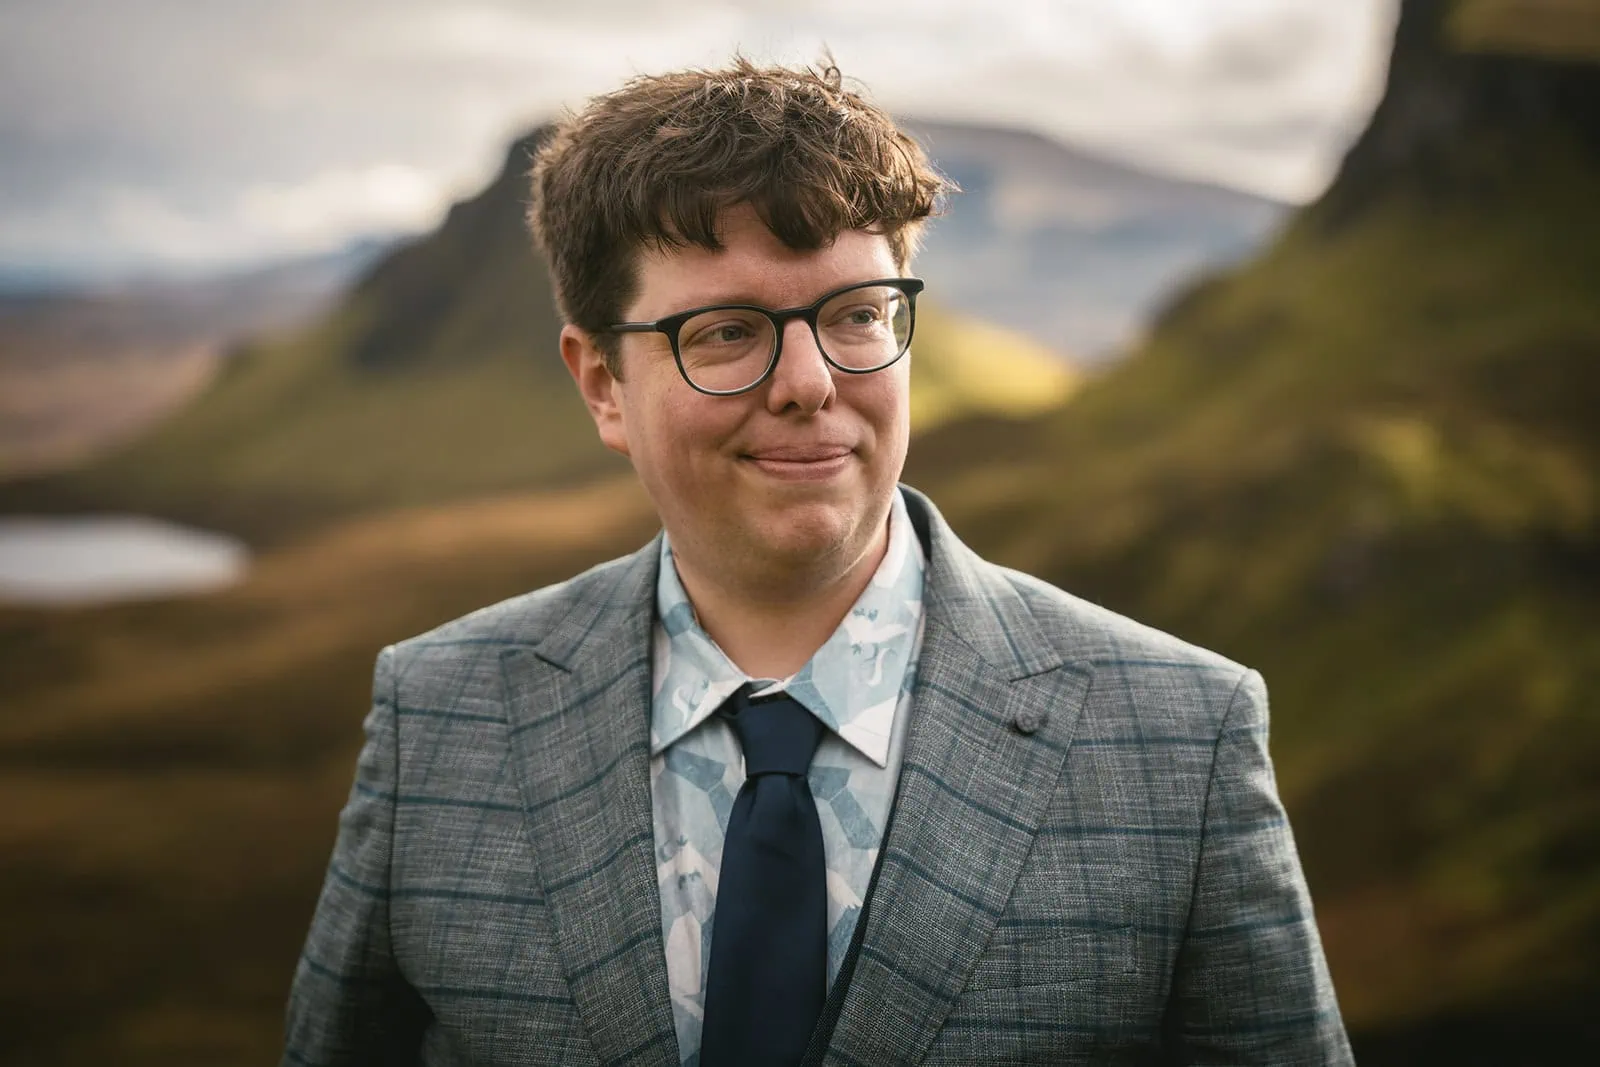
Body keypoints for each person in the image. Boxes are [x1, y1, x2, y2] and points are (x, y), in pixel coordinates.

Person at [283, 58, 1353, 1066]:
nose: (807, 380)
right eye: (727, 331)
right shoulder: (437, 713)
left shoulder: (1185, 735)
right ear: (603, 381)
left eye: (853, 316)